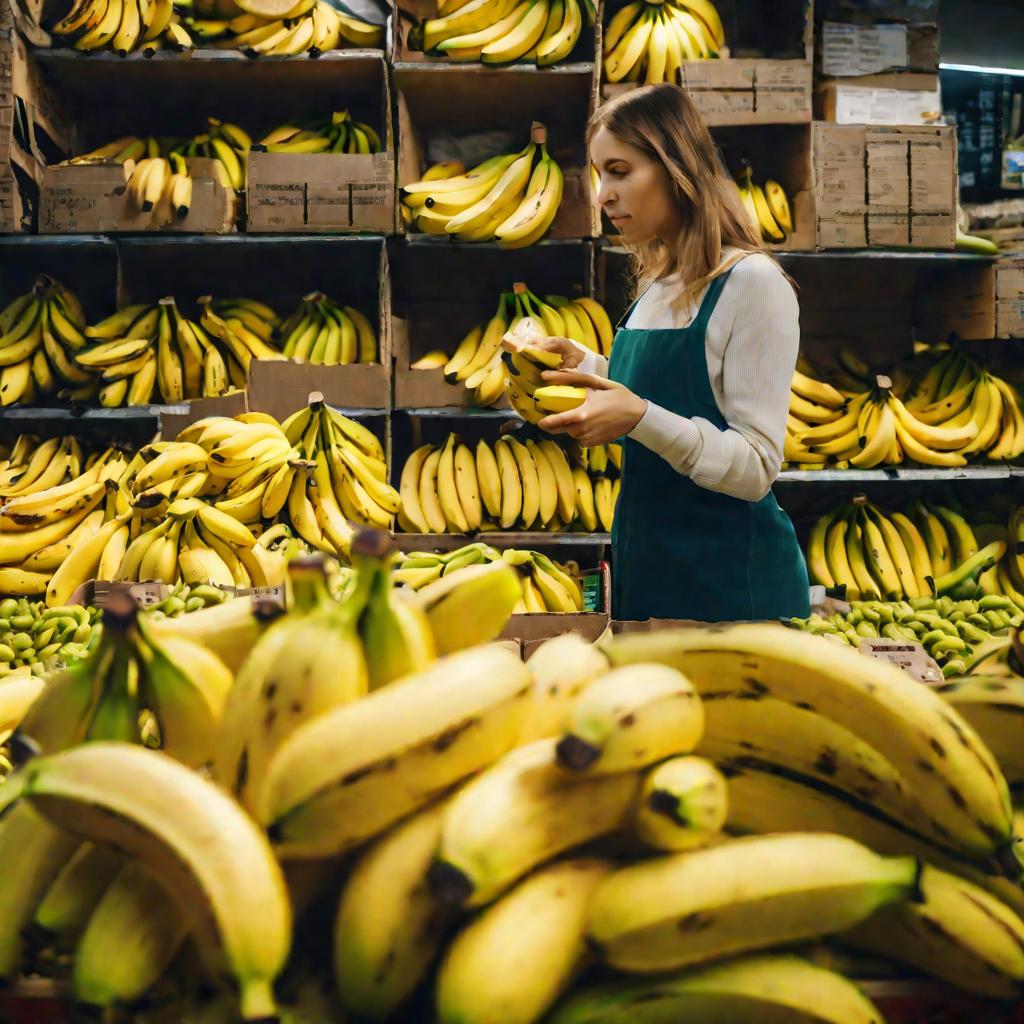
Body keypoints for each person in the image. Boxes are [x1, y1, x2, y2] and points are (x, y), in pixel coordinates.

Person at [534, 83, 810, 623]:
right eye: (597, 175)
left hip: (732, 593)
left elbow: (756, 466)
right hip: (651, 573)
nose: (602, 196)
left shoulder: (752, 282)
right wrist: (586, 368)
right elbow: (669, 391)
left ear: (676, 167)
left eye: (619, 171)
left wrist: (638, 418)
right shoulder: (660, 284)